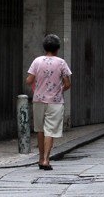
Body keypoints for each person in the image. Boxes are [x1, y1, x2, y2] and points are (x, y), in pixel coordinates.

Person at [25, 34, 72, 171]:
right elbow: (68, 83)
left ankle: (40, 159)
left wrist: (37, 86)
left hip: (38, 100)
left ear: (44, 47)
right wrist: (59, 90)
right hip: (55, 102)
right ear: (57, 48)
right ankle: (46, 159)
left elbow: (29, 80)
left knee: (40, 130)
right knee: (50, 131)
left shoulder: (37, 61)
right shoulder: (61, 62)